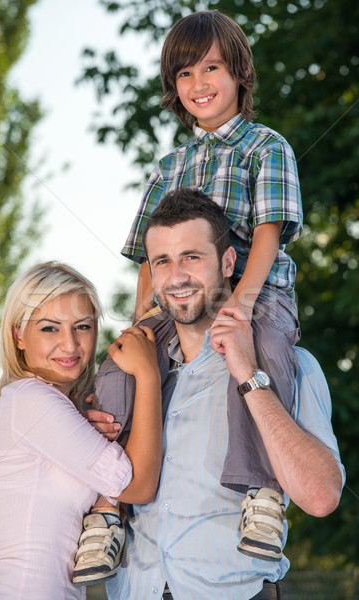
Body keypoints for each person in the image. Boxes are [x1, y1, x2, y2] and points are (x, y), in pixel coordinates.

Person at [76, 9, 303, 575]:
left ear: (240, 75)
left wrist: (243, 303)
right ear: (174, 88)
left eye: (211, 69)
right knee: (117, 370)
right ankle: (107, 510)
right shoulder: (168, 167)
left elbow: (270, 233)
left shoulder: (264, 147)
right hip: (177, 304)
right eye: (185, 74)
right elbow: (149, 260)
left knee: (264, 352)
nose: (199, 85)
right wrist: (140, 326)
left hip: (257, 289)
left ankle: (264, 492)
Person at [85, 191, 344, 600]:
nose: (177, 276)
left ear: (227, 262)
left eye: (192, 257)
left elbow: (321, 495)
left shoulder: (291, 365)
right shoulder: (130, 376)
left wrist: (245, 373)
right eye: (163, 262)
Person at [0, 261, 163, 600]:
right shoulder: (29, 399)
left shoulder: (55, 410)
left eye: (82, 327)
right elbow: (140, 486)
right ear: (18, 334)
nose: (70, 345)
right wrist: (148, 375)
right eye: (49, 329)